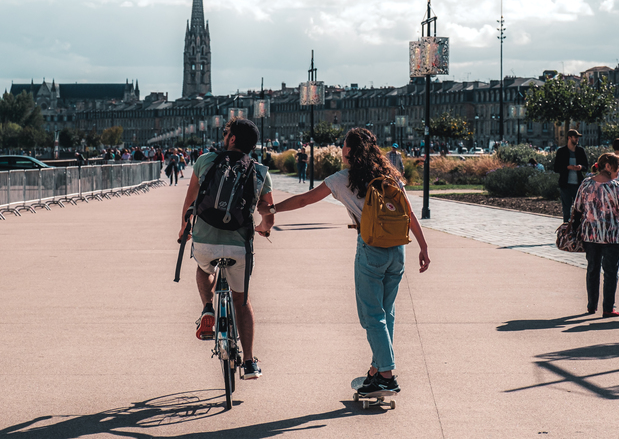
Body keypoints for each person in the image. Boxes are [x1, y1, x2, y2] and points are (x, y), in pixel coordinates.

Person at [263, 128, 430, 396]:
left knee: (371, 316)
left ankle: (387, 375)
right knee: (387, 313)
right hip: (398, 249)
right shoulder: (389, 177)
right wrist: (423, 246)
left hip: (371, 250)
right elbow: (409, 213)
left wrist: (272, 209)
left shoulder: (343, 179)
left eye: (344, 145)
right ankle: (377, 371)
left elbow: (305, 199)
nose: (342, 149)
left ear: (350, 151)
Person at [178, 118, 274, 379]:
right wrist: (264, 227)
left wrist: (184, 229)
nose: (224, 135)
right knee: (242, 300)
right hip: (239, 246)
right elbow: (268, 213)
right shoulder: (259, 171)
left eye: (226, 132)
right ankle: (250, 361)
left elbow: (190, 203)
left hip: (205, 241)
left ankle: (208, 306)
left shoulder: (205, 161)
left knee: (202, 266)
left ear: (232, 140)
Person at [573, 152, 619, 317]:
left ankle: (591, 305)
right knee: (610, 271)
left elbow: (577, 207)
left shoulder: (586, 184)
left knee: (592, 269)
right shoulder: (615, 187)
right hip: (611, 235)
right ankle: (608, 307)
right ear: (608, 166)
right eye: (617, 166)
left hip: (590, 234)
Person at [554, 129, 590, 223]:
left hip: (578, 185)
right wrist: (567, 167)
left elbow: (586, 166)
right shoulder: (561, 151)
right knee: (566, 210)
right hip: (565, 185)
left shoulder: (580, 151)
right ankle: (566, 229)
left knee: (579, 209)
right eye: (575, 137)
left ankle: (577, 228)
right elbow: (556, 168)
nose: (577, 139)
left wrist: (580, 167)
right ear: (569, 138)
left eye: (578, 137)